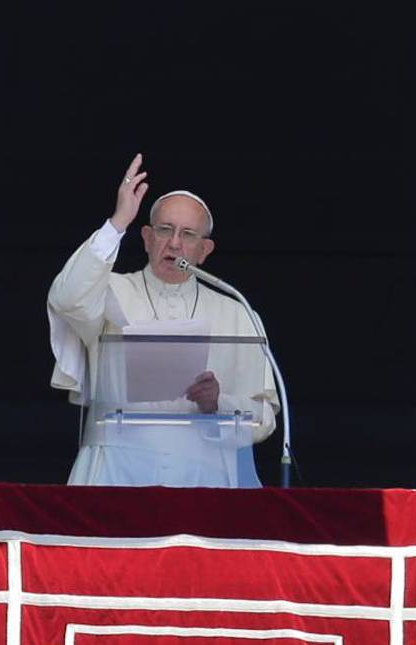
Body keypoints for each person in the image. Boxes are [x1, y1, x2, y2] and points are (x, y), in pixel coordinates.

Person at [48, 153, 279, 487]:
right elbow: (67, 297)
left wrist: (219, 403)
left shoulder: (236, 312)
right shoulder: (109, 289)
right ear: (146, 237)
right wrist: (118, 222)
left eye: (187, 235)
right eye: (165, 230)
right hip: (115, 473)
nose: (174, 243)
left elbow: (265, 417)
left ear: (205, 250)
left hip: (205, 479)